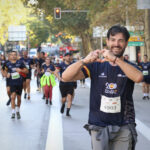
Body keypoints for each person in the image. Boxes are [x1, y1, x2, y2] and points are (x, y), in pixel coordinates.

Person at [62, 25, 143, 150]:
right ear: (107, 42)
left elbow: (138, 77)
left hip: (124, 125)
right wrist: (84, 61)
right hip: (98, 125)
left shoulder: (129, 67)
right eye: (113, 40)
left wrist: (116, 60)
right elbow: (65, 77)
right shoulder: (96, 65)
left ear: (126, 43)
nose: (116, 44)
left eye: (121, 40)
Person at [4, 51, 28, 119]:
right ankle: (13, 112)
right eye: (12, 55)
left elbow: (27, 71)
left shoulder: (20, 63)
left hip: (19, 83)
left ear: (16, 56)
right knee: (13, 97)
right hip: (12, 83)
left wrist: (21, 70)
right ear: (10, 56)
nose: (13, 56)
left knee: (19, 99)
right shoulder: (7, 64)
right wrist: (6, 75)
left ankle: (17, 111)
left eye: (15, 55)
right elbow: (4, 71)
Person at [56, 52, 75, 117]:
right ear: (64, 57)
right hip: (63, 84)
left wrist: (75, 79)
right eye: (67, 56)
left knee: (69, 98)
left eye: (69, 56)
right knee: (64, 99)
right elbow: (56, 72)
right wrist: (59, 78)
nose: (68, 57)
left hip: (70, 83)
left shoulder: (73, 65)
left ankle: (67, 112)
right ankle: (63, 104)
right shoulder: (61, 65)